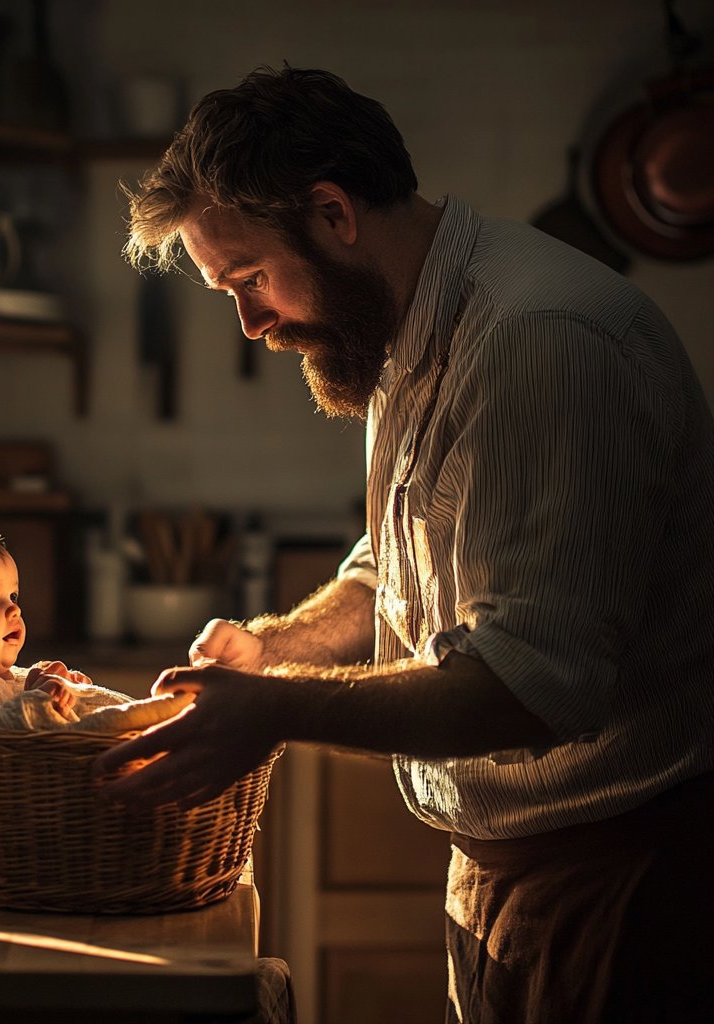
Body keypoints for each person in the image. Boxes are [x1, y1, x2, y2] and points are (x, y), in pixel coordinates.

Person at [95, 65, 714, 1023]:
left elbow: (531, 682)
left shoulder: (538, 339)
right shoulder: (415, 328)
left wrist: (272, 710)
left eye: (250, 278)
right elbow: (392, 566)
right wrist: (273, 650)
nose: (252, 322)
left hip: (628, 882)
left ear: (334, 212)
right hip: (510, 870)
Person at [0, 520, 190, 732]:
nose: (13, 608)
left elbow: (3, 698)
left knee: (124, 715)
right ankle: (164, 717)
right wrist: (39, 702)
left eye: (12, 594)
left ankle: (163, 717)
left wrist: (44, 682)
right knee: (133, 724)